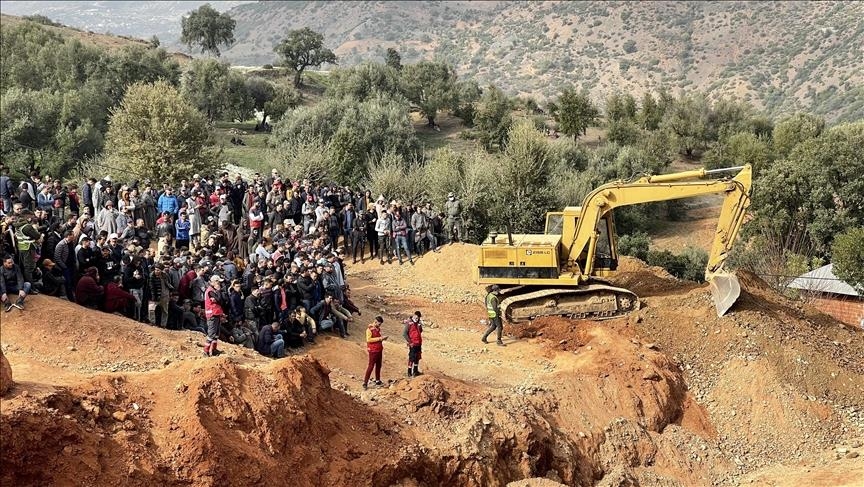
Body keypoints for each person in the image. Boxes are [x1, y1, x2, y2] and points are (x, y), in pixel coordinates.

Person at [203, 274, 226, 357]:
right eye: (218, 282)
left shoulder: (213, 290)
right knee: (211, 334)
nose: (219, 284)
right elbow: (219, 300)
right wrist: (219, 291)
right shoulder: (210, 291)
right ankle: (205, 351)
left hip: (216, 313)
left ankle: (214, 350)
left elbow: (221, 301)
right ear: (213, 282)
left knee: (216, 334)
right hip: (212, 314)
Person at [363, 316, 388, 390]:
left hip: (379, 349)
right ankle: (365, 382)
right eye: (379, 324)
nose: (379, 325)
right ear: (375, 322)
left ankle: (377, 380)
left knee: (378, 365)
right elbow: (369, 340)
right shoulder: (369, 330)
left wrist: (382, 339)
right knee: (371, 366)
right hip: (373, 350)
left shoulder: (377, 329)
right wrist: (380, 338)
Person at [403, 310, 424, 377]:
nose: (417, 319)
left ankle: (415, 371)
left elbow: (420, 331)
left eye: (418, 318)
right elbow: (404, 334)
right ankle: (409, 372)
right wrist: (410, 342)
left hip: (418, 343)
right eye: (416, 317)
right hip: (413, 344)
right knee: (412, 357)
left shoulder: (418, 324)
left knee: (417, 357)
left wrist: (419, 325)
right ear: (414, 315)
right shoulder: (409, 323)